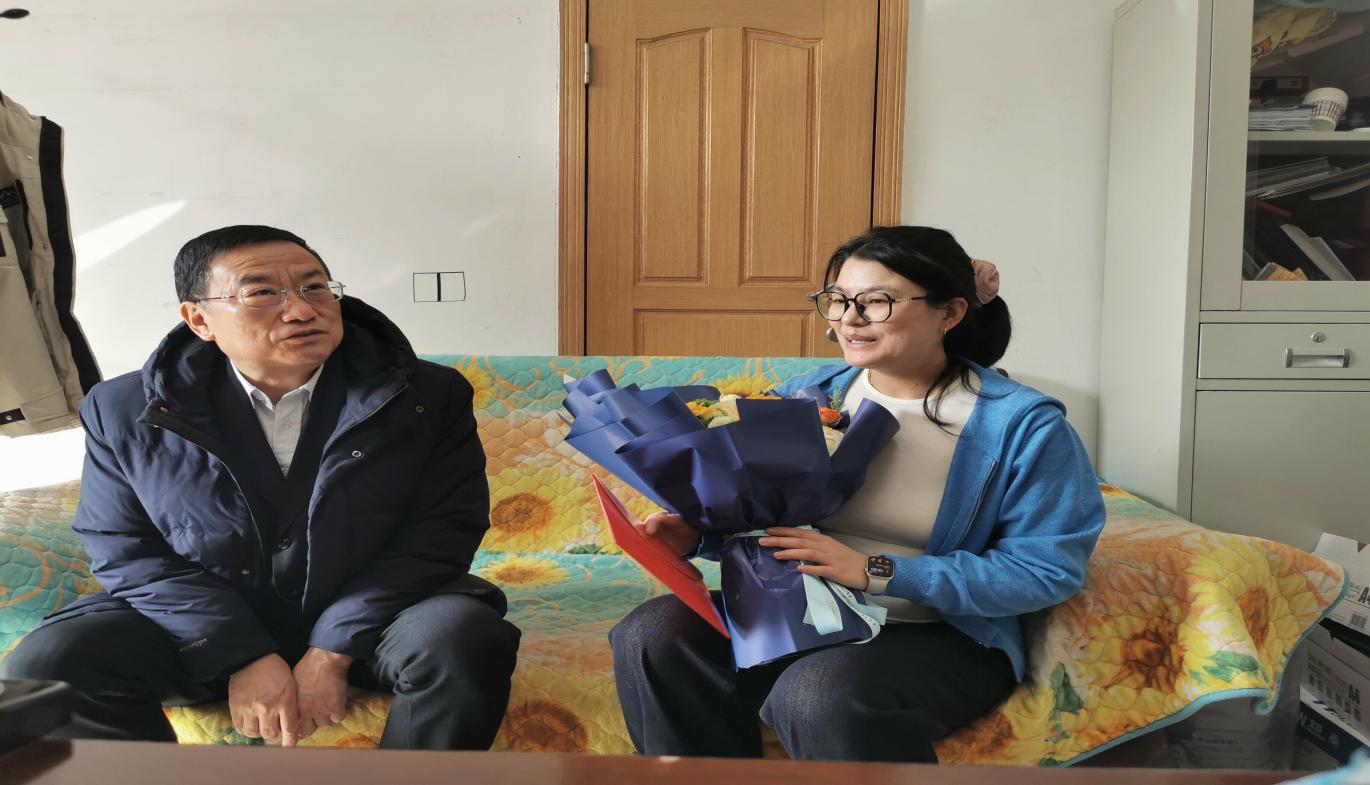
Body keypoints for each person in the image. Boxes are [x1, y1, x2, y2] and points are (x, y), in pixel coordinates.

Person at [1, 225, 519, 750]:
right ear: (199, 319)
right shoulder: (123, 408)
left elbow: (441, 533)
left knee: (463, 640)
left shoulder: (425, 395)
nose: (301, 310)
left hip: (378, 615)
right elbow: (122, 546)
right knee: (52, 664)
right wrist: (242, 653)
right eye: (262, 293)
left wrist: (332, 649)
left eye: (315, 287)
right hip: (198, 623)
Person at [608, 225, 1105, 762]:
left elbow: (1044, 570)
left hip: (936, 633)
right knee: (651, 631)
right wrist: (696, 535)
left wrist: (877, 571)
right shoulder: (809, 397)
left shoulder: (1022, 425)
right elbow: (757, 517)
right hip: (793, 613)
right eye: (838, 300)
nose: (849, 318)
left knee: (817, 692)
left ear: (950, 313)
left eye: (877, 301)